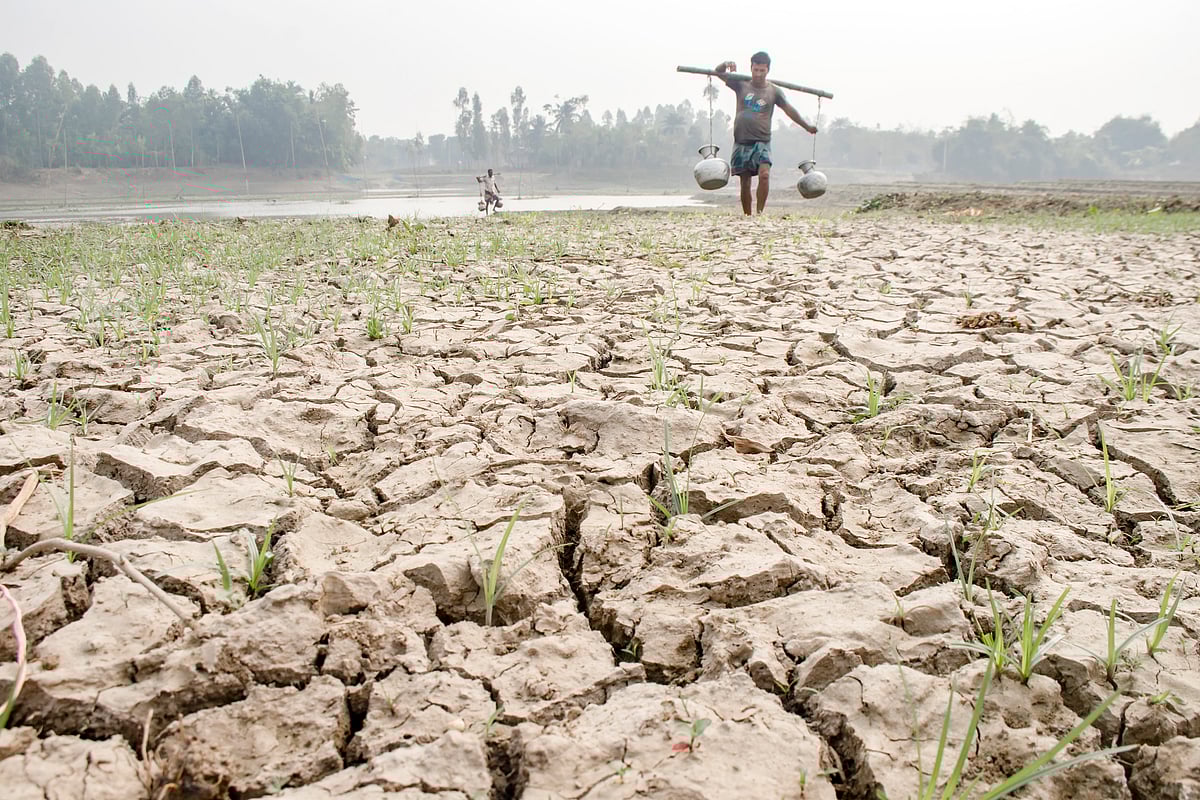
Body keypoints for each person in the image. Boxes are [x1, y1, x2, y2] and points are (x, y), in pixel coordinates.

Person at [715, 52, 817, 216]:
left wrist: (807, 126)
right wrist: (725, 63)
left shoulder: (773, 92)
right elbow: (718, 73)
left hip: (762, 141)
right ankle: (748, 216)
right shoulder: (741, 84)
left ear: (767, 70)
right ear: (751, 68)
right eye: (755, 70)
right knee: (745, 181)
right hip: (741, 141)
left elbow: (789, 110)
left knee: (764, 175)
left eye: (762, 71)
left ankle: (760, 213)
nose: (758, 74)